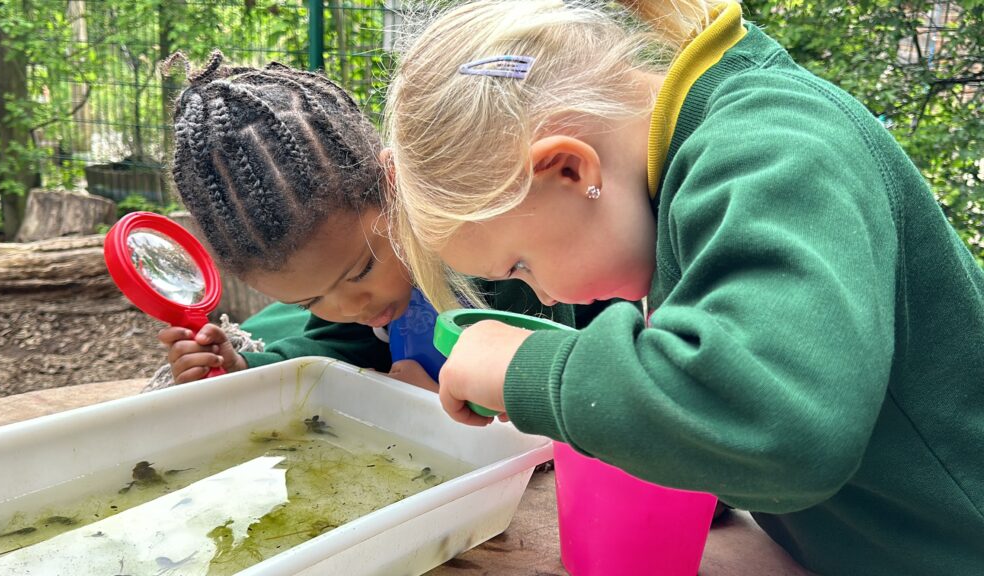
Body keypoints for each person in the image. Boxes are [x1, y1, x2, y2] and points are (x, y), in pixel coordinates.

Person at [383, 1, 984, 574]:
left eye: (520, 265)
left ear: (569, 169)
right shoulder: (678, 173)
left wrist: (533, 370)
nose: (541, 296)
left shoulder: (771, 150)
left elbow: (777, 424)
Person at [158, 50, 576, 386]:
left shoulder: (492, 254)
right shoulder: (352, 299)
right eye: (310, 301)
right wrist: (247, 366)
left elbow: (557, 384)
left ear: (392, 188)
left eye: (361, 272)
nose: (349, 307)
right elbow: (346, 347)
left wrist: (438, 401)